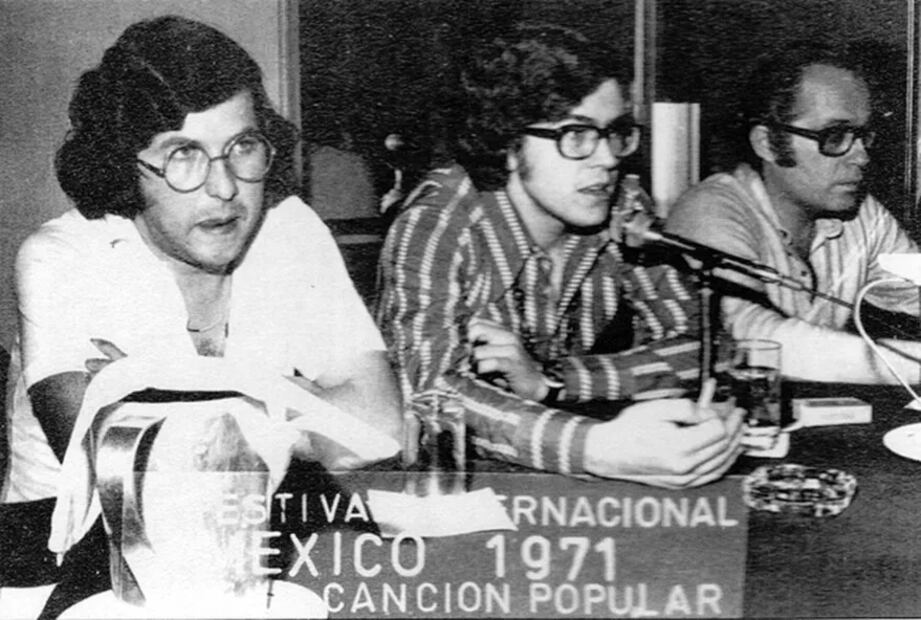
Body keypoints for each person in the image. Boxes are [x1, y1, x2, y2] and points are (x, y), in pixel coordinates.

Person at [2, 15, 401, 618]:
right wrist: (306, 403)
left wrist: (164, 395)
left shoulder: (290, 227)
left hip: (248, 532)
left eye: (242, 147)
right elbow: (109, 467)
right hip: (60, 556)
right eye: (183, 155)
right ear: (123, 166)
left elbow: (379, 428)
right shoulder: (59, 258)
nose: (224, 187)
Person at [377, 23, 743, 488]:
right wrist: (595, 448)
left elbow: (704, 348)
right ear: (508, 143)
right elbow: (430, 395)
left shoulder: (621, 208)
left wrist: (554, 381)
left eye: (616, 134)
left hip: (549, 481)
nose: (609, 159)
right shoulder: (438, 224)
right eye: (577, 135)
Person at [666, 41, 921, 384]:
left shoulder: (862, 216)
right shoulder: (710, 211)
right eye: (835, 136)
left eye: (863, 136)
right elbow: (754, 337)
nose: (861, 156)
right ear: (767, 143)